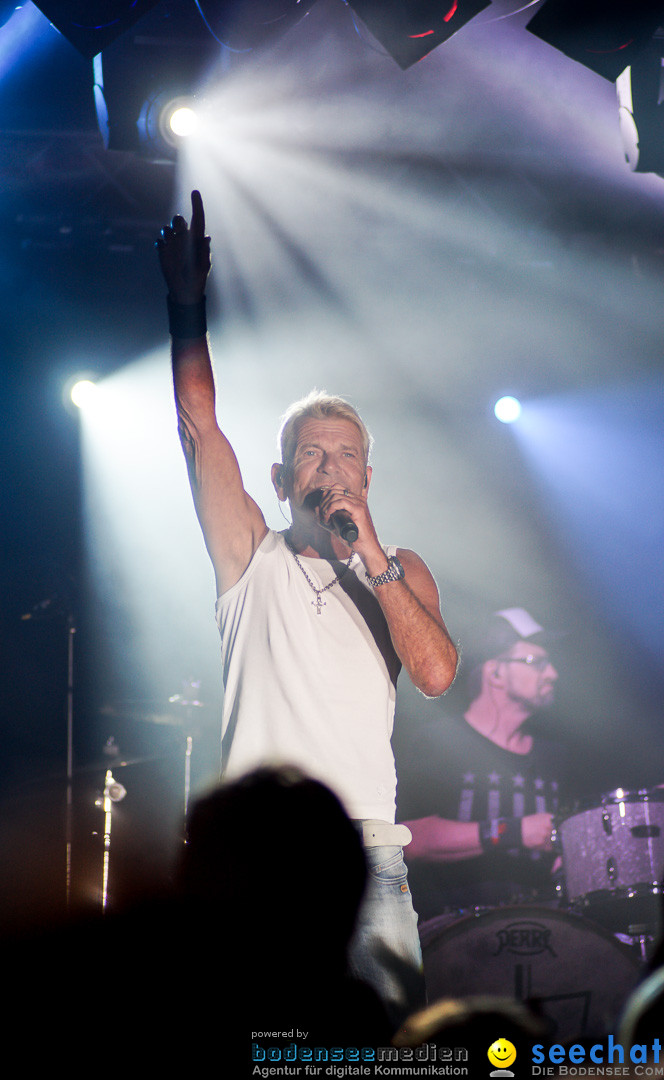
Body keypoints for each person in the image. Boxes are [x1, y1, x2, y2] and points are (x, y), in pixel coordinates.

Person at [155, 190, 458, 1025]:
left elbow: (435, 674)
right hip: (258, 860)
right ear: (284, 480)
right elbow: (196, 423)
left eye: (348, 455)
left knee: (386, 1052)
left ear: (368, 478)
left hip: (368, 861)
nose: (332, 467)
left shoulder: (400, 570)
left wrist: (372, 556)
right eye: (312, 456)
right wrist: (186, 306)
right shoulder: (252, 555)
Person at [397, 606, 563, 920]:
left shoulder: (555, 757)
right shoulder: (438, 744)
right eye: (537, 662)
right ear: (495, 672)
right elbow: (408, 839)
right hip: (452, 939)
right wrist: (514, 831)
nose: (552, 673)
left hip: (541, 936)